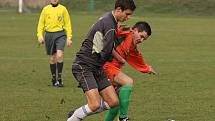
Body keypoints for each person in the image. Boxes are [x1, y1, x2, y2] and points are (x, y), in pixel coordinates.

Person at [67, 0, 136, 121]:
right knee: (95, 104)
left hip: (96, 67)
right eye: (127, 14)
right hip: (84, 65)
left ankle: (78, 112)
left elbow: (107, 47)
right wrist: (115, 69)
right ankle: (74, 118)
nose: (128, 17)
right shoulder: (110, 25)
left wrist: (119, 58)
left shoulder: (109, 19)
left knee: (113, 101)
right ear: (119, 10)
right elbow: (106, 52)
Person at [103, 21, 157, 121]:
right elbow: (110, 30)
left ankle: (79, 113)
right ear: (135, 30)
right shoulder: (127, 31)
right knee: (128, 82)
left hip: (111, 69)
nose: (141, 40)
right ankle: (123, 117)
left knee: (115, 105)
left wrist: (147, 68)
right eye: (141, 36)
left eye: (144, 39)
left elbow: (137, 58)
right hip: (105, 66)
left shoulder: (132, 46)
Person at [37, 0, 72, 87]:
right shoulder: (45, 9)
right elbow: (40, 24)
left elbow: (68, 24)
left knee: (59, 55)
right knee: (52, 58)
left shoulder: (63, 9)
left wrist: (69, 38)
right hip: (49, 35)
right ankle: (53, 78)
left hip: (60, 34)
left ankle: (59, 79)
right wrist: (40, 36)